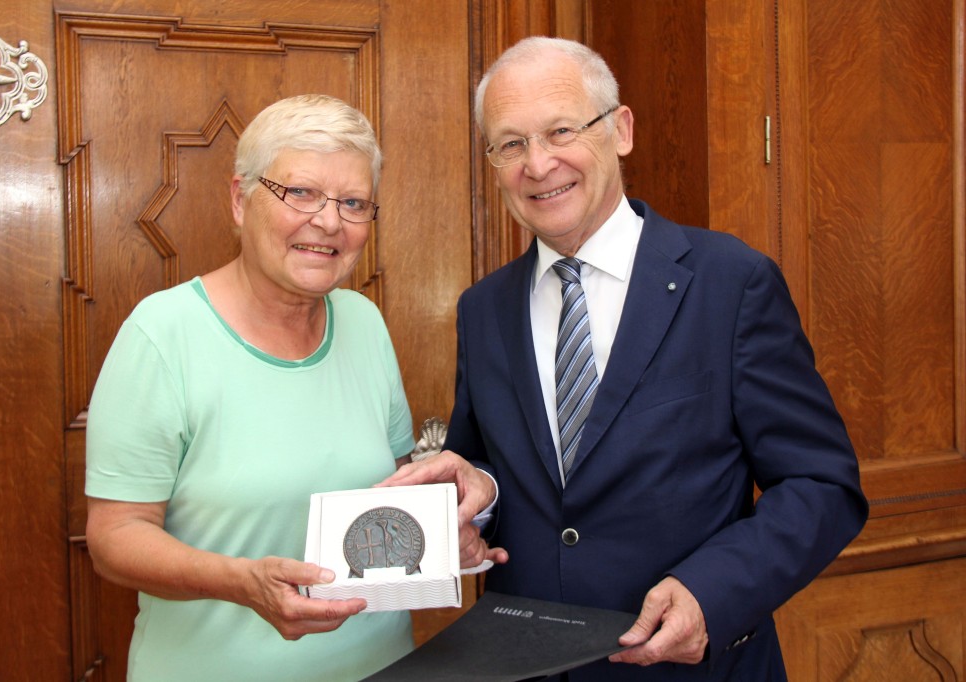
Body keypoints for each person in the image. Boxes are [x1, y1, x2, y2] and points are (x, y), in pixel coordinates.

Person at [380, 37, 868, 680]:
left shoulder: (731, 282)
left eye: (560, 130)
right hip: (527, 666)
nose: (538, 163)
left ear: (621, 130)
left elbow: (820, 484)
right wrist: (479, 495)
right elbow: (489, 466)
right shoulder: (484, 308)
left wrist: (713, 592)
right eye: (510, 144)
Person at [85, 94, 416, 681]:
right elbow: (114, 537)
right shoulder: (162, 334)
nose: (329, 221)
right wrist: (240, 583)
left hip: (382, 667)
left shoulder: (366, 323)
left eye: (354, 202)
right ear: (240, 199)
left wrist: (455, 524)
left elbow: (390, 494)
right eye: (302, 193)